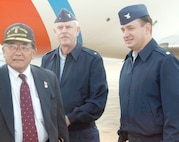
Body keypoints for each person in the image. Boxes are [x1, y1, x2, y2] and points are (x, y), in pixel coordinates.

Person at [41, 8, 108, 142]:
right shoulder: (47, 59)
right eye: (60, 28)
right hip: (54, 134)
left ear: (77, 31)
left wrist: (69, 119)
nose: (64, 31)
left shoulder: (92, 60)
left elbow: (97, 101)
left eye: (68, 27)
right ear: (55, 32)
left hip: (83, 134)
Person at [117, 4, 179, 142]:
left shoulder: (165, 61)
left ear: (147, 28)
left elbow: (175, 115)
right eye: (123, 29)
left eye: (131, 28)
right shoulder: (128, 62)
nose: (125, 34)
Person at [0, 23, 69, 142]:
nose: (18, 52)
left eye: (24, 47)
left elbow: (59, 121)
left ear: (33, 52)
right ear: (3, 50)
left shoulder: (48, 78)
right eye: (11, 46)